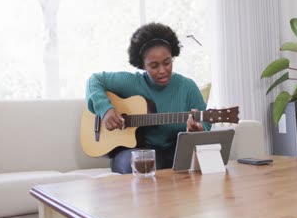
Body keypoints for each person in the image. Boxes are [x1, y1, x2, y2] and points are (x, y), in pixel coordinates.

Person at [86, 22, 210, 174]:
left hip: (173, 153)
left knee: (189, 164)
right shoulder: (132, 82)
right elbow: (94, 80)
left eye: (167, 62)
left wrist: (199, 130)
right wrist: (105, 110)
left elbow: (206, 121)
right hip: (134, 152)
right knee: (143, 165)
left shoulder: (187, 87)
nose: (162, 70)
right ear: (143, 65)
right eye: (154, 65)